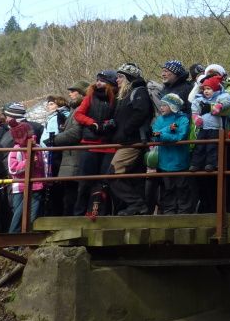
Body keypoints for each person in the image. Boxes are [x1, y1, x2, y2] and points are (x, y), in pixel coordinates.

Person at [108, 63, 154, 216]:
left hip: (132, 142)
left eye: (120, 76)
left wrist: (126, 130)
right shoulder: (127, 94)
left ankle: (136, 204)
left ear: (129, 77)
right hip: (128, 141)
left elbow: (141, 112)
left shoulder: (139, 92)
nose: (117, 80)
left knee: (113, 174)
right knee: (134, 177)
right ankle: (139, 208)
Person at [72, 70, 118, 217]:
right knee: (85, 182)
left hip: (108, 145)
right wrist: (92, 123)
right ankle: (79, 214)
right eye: (97, 80)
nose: (98, 83)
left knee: (104, 183)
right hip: (90, 143)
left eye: (102, 80)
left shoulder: (116, 98)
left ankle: (99, 213)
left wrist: (109, 124)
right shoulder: (90, 97)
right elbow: (78, 114)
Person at [49, 81, 90, 215]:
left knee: (72, 196)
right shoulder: (75, 109)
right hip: (71, 158)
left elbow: (76, 133)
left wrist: (54, 139)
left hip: (75, 158)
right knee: (70, 195)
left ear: (82, 93)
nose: (70, 94)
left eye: (73, 91)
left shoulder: (81, 109)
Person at [151, 93, 193, 214]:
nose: (161, 107)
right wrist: (169, 129)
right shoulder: (159, 120)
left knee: (182, 188)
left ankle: (184, 212)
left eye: (165, 105)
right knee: (167, 188)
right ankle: (169, 212)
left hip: (180, 160)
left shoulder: (183, 119)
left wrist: (162, 134)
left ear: (173, 106)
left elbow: (180, 136)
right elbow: (154, 135)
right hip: (164, 161)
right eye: (161, 105)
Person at [6, 121, 46, 233]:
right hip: (21, 187)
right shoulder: (17, 149)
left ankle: (23, 236)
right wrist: (28, 162)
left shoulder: (37, 148)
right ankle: (14, 235)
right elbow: (12, 168)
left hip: (36, 185)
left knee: (31, 215)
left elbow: (43, 166)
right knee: (19, 214)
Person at [190, 75, 230, 173]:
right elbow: (194, 109)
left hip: (215, 128)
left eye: (209, 89)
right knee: (199, 146)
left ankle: (211, 164)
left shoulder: (220, 97)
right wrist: (196, 117)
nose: (206, 91)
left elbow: (228, 99)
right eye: (204, 89)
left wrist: (219, 105)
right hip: (203, 127)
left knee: (212, 147)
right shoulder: (200, 99)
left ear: (215, 89)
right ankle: (195, 164)